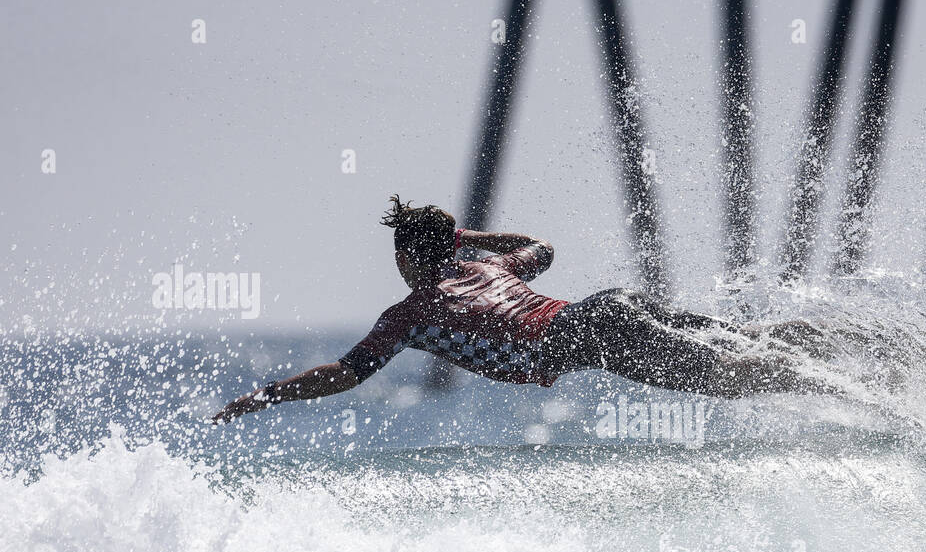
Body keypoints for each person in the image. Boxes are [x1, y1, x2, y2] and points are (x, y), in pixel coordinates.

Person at [212, 196, 830, 423]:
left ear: (404, 259)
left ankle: (854, 390)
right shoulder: (488, 265)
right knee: (747, 343)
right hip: (607, 307)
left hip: (592, 335)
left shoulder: (407, 315)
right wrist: (468, 242)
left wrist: (264, 396)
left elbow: (343, 376)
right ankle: (845, 347)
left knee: (729, 377)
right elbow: (541, 248)